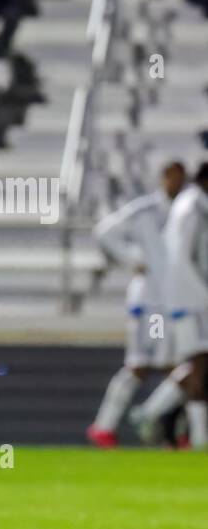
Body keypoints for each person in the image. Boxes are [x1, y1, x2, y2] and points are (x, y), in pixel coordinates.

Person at [87, 162, 186, 447]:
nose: (177, 183)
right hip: (150, 306)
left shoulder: (185, 210)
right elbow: (104, 232)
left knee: (177, 366)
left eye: (181, 178)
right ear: (163, 178)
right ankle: (108, 426)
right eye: (173, 178)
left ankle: (162, 423)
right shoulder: (145, 210)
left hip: (172, 303)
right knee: (143, 365)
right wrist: (132, 259)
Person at [129, 162, 208, 449]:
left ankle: (153, 414)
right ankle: (192, 435)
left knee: (193, 365)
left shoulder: (190, 206)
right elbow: (181, 259)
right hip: (181, 304)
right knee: (183, 364)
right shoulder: (188, 209)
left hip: (179, 301)